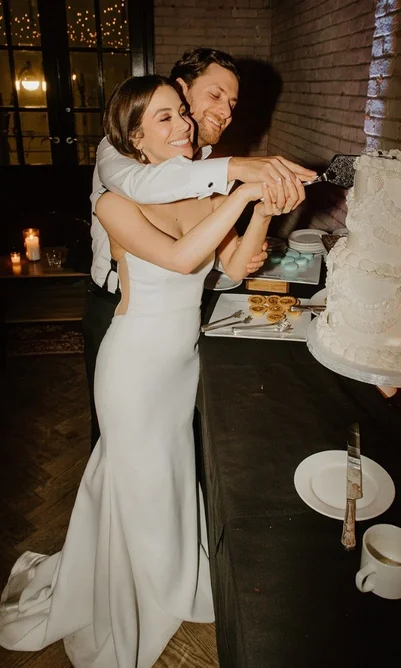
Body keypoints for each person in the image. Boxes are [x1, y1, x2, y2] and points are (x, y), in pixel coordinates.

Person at [0, 75, 281, 667]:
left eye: (182, 113)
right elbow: (181, 260)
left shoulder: (200, 194)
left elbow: (231, 267)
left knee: (167, 477)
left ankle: (168, 576)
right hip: (133, 367)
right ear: (136, 142)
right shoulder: (114, 200)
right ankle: (142, 594)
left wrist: (264, 209)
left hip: (180, 365)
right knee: (141, 481)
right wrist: (242, 187)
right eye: (164, 120)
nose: (184, 125)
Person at [82, 48, 316, 448]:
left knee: (177, 449)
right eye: (215, 95)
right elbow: (148, 191)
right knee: (118, 445)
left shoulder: (202, 165)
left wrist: (262, 211)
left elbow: (234, 260)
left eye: (232, 102)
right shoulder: (116, 154)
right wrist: (241, 177)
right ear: (181, 89)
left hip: (182, 344)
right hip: (117, 311)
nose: (225, 110)